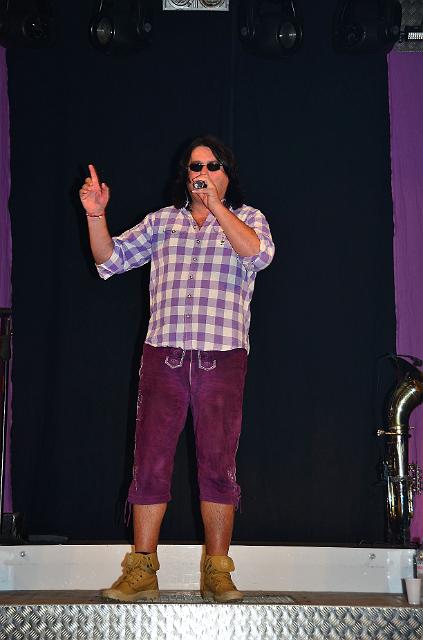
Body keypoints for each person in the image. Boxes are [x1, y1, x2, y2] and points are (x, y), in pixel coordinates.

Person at [79, 135, 275, 603]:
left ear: (226, 174)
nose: (201, 173)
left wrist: (217, 206)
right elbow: (109, 259)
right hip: (163, 356)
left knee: (218, 466)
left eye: (212, 166)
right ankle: (142, 570)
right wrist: (95, 214)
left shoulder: (248, 218)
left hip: (222, 357)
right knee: (149, 463)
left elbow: (258, 255)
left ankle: (218, 572)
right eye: (194, 166)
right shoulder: (162, 221)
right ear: (184, 175)